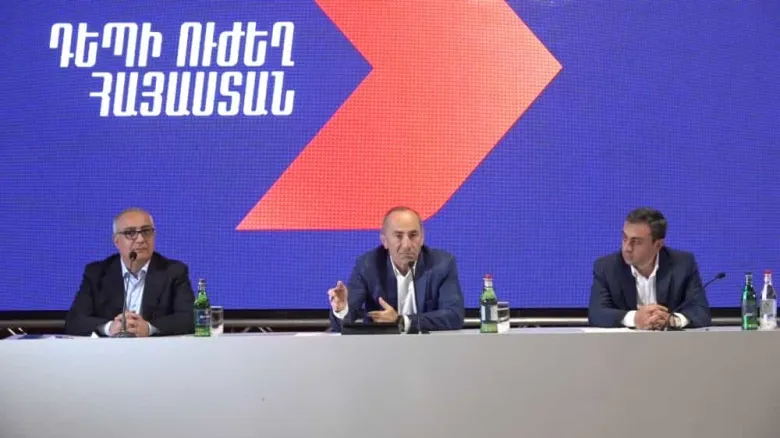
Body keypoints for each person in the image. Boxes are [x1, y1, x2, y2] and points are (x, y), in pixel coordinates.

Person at [328, 206, 464, 333]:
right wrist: (342, 309)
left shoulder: (442, 264)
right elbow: (344, 324)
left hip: (430, 346)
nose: (406, 245)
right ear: (385, 241)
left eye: (413, 235)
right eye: (398, 236)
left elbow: (454, 316)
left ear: (422, 238)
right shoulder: (368, 266)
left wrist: (402, 321)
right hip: (382, 347)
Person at [64, 208, 195, 337]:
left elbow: (191, 317)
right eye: (130, 233)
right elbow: (75, 320)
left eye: (146, 231)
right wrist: (109, 328)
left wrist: (149, 328)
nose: (140, 239)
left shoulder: (173, 271)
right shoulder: (96, 273)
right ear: (116, 241)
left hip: (155, 348)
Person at [588, 207, 712, 330]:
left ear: (658, 244)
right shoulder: (607, 267)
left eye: (636, 242)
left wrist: (672, 320)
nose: (627, 248)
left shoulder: (683, 264)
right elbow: (596, 313)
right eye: (625, 238)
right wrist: (635, 318)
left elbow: (701, 312)